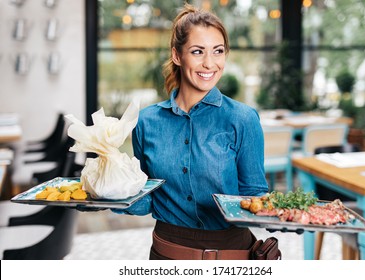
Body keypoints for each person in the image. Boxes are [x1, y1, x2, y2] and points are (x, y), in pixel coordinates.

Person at [113, 3, 268, 260]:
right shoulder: (146, 122)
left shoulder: (243, 119)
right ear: (177, 55)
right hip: (166, 255)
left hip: (232, 256)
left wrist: (283, 214)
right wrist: (109, 197)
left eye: (218, 51)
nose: (209, 64)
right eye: (197, 52)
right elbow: (146, 198)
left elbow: (254, 195)